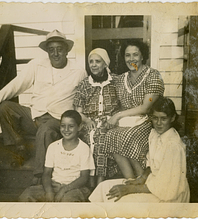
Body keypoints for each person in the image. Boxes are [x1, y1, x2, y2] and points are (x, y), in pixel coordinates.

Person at [0, 30, 87, 185]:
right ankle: (19, 145)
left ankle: (40, 175)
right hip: (34, 115)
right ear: (47, 51)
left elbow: (86, 97)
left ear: (67, 50)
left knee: (45, 130)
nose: (55, 53)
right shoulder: (36, 65)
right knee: (5, 107)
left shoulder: (78, 71)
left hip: (57, 119)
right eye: (51, 49)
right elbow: (16, 84)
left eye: (59, 49)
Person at [89, 97, 190, 203]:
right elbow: (151, 165)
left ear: (172, 118)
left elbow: (166, 188)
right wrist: (140, 179)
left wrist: (130, 189)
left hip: (168, 197)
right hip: (152, 185)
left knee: (119, 200)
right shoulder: (154, 134)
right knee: (103, 187)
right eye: (155, 118)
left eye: (163, 118)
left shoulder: (173, 146)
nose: (159, 123)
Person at [104, 40, 164, 180]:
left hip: (148, 121)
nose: (131, 59)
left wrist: (118, 115)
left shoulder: (153, 76)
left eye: (135, 55)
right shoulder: (121, 79)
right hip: (127, 121)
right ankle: (130, 180)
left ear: (142, 56)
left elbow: (145, 107)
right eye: (127, 55)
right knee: (110, 136)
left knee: (128, 138)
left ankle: (143, 179)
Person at [19, 110, 95, 202]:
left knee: (67, 201)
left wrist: (64, 190)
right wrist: (49, 191)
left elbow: (84, 177)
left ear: (79, 127)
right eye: (63, 126)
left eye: (71, 126)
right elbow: (46, 173)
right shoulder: (53, 146)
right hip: (53, 185)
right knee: (27, 195)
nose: (66, 130)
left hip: (74, 187)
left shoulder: (83, 148)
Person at [73, 48, 119, 186]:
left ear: (105, 63)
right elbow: (78, 111)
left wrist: (114, 118)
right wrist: (86, 120)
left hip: (110, 121)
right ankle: (89, 179)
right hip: (88, 121)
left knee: (102, 136)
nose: (93, 65)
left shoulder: (116, 81)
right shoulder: (84, 84)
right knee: (91, 135)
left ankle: (100, 180)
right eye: (91, 61)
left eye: (97, 61)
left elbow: (124, 104)